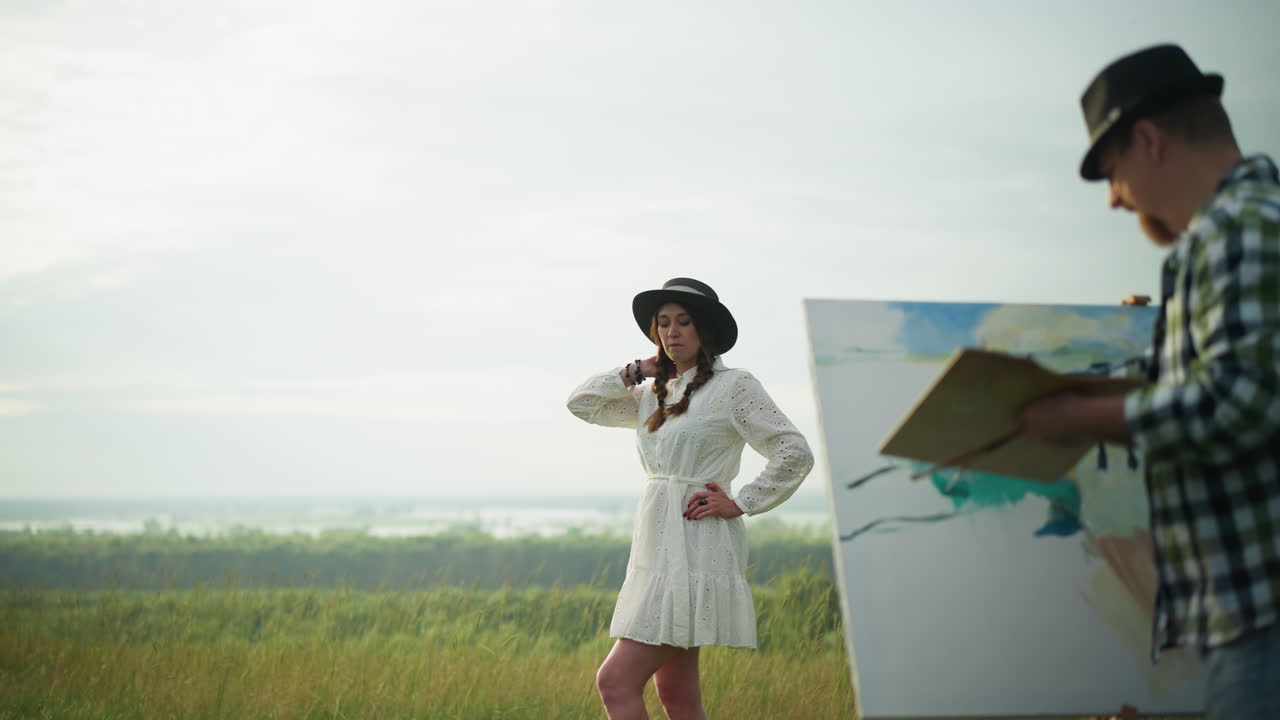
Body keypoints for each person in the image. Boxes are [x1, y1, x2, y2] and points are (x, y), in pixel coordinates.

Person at [1019, 44, 1280, 720]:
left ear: (1149, 140)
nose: (1113, 199)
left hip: (1263, 616)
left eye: (1112, 173)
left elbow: (1236, 402)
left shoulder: (1239, 228)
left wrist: (1081, 418)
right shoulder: (1236, 228)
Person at [567, 277, 814, 720]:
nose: (672, 332)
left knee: (615, 681)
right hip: (658, 547)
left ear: (705, 329)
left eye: (683, 321)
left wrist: (742, 501)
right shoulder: (651, 396)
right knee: (678, 696)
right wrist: (635, 371)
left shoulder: (733, 386)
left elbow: (793, 450)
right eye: (663, 323)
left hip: (698, 547)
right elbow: (582, 404)